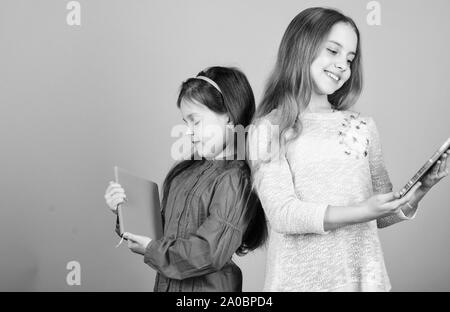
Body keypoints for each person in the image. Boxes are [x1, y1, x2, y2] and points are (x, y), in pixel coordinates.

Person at [248, 7, 449, 291]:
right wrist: (362, 210)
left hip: (365, 281)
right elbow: (284, 214)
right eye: (333, 51)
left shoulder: (363, 127)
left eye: (350, 58)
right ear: (300, 47)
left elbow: (381, 212)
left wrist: (419, 191)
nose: (343, 64)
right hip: (298, 283)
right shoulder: (269, 129)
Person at [104, 66, 267, 291]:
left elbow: (208, 252)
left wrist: (151, 249)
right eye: (185, 122)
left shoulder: (235, 180)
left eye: (196, 121)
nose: (188, 131)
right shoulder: (183, 174)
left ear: (229, 116)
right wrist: (125, 211)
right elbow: (163, 234)